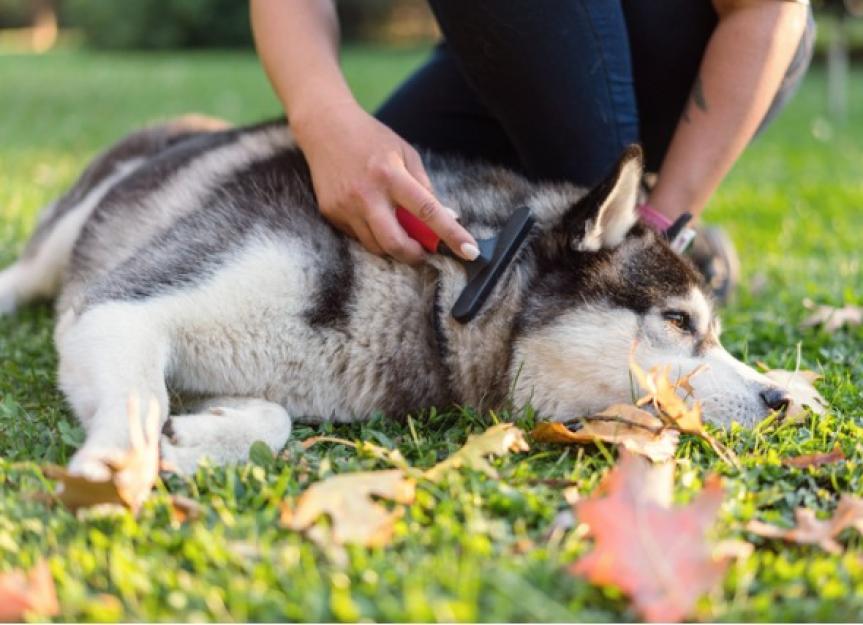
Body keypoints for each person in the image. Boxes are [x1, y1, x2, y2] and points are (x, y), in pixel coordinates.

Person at [250, 0, 814, 299]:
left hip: (703, 41)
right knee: (359, 223)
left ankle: (652, 217)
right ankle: (672, 232)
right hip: (508, 39)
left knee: (592, 272)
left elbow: (769, 9)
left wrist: (663, 226)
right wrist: (328, 122)